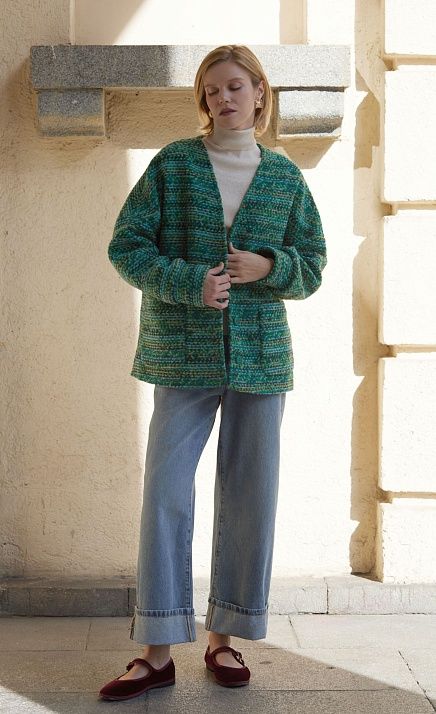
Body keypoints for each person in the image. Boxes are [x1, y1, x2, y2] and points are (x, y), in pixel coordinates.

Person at [99, 44, 327, 701]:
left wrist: (271, 267)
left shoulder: (283, 177)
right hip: (181, 353)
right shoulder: (173, 165)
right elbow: (127, 247)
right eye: (211, 89)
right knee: (166, 492)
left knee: (250, 495)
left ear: (259, 93)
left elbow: (311, 263)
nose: (222, 98)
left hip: (261, 357)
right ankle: (156, 650)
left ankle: (223, 638)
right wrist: (188, 282)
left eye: (234, 86)